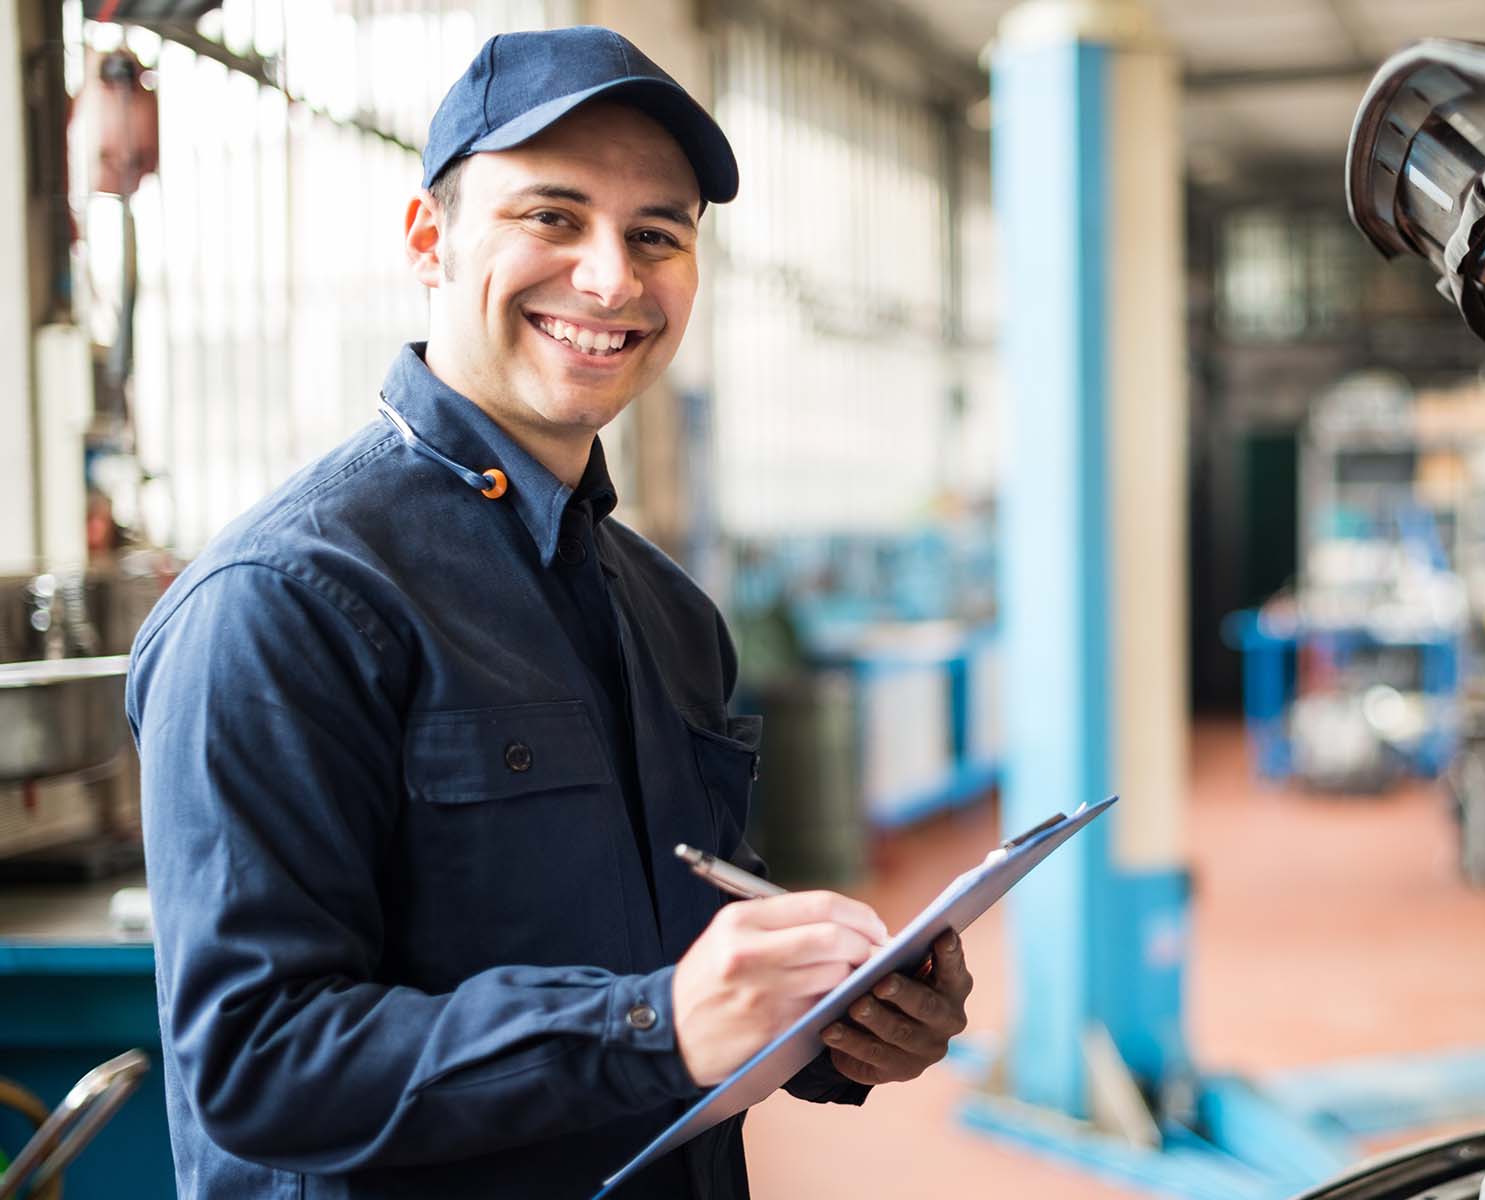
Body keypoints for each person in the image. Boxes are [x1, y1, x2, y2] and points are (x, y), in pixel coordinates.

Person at [126, 26, 972, 1198]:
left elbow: (679, 939)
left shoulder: (668, 612)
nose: (610, 278)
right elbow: (257, 1063)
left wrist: (834, 1020)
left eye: (656, 236)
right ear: (430, 239)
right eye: (551, 217)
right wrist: (653, 1021)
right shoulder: (284, 601)